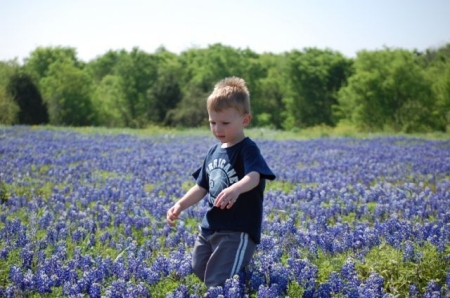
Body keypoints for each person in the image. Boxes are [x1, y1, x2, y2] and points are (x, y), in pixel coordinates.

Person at [166, 76, 276, 288]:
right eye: (212, 123)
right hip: (210, 227)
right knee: (200, 269)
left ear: (245, 120)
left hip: (237, 230)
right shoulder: (213, 151)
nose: (217, 129)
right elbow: (201, 186)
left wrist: (236, 188)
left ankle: (237, 283)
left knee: (218, 281)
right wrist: (180, 204)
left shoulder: (247, 149)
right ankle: (241, 279)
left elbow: (254, 176)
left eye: (224, 123)